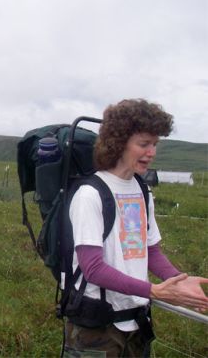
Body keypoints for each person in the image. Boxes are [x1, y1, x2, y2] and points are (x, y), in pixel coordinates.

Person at [63, 99, 208, 357]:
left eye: (155, 144)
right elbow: (92, 268)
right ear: (118, 143)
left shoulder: (142, 191)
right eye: (143, 144)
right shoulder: (89, 195)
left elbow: (150, 251)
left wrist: (178, 280)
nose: (151, 152)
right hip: (97, 327)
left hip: (137, 322)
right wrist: (153, 290)